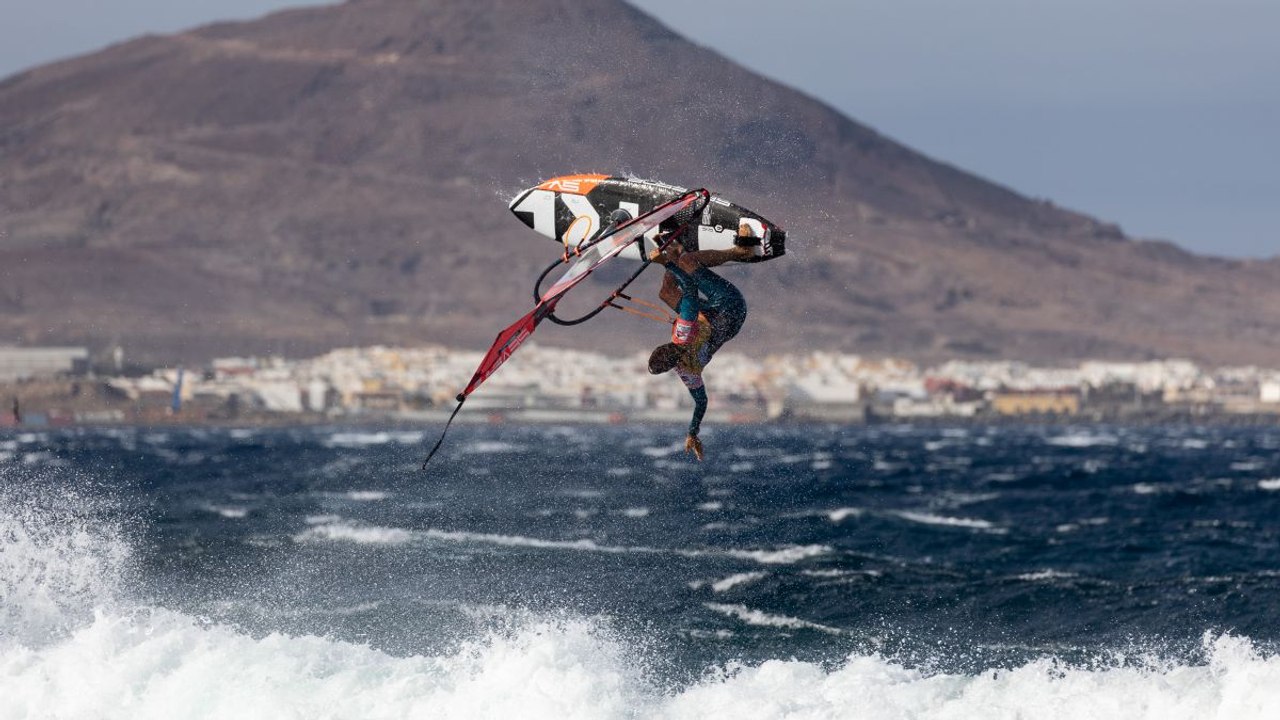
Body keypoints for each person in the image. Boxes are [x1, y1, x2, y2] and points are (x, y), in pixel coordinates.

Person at [647, 223, 757, 461]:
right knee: (687, 263)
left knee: (666, 293)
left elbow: (701, 402)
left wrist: (693, 432)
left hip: (717, 320)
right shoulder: (683, 332)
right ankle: (740, 252)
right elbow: (688, 289)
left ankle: (676, 248)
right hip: (729, 307)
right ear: (666, 346)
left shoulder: (687, 372)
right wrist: (667, 263)